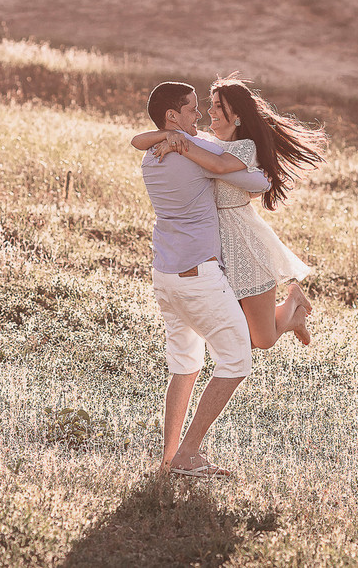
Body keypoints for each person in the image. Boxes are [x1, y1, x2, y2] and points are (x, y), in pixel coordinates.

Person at [139, 81, 272, 480]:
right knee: (236, 360)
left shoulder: (150, 156)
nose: (199, 115)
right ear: (172, 116)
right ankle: (188, 454)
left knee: (185, 365)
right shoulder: (198, 152)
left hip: (164, 277)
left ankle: (168, 460)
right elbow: (258, 182)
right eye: (191, 109)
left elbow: (139, 138)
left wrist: (168, 138)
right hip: (198, 276)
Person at [133, 75, 326, 350]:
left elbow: (221, 167)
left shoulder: (244, 148)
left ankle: (293, 299)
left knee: (262, 340)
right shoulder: (207, 142)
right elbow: (137, 140)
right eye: (208, 104)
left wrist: (180, 145)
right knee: (237, 335)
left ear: (236, 115)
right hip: (216, 249)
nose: (208, 111)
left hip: (245, 243)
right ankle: (293, 315)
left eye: (217, 106)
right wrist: (169, 136)